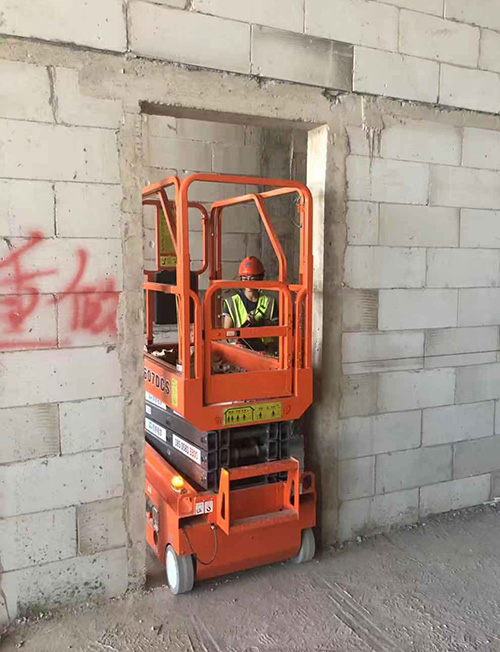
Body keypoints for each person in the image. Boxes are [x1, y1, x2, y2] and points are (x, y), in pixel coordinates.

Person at [222, 256, 277, 353]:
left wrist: (260, 322)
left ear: (260, 278)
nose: (249, 282)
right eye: (245, 278)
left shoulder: (269, 302)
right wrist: (241, 332)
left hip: (264, 352)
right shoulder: (232, 302)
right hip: (240, 351)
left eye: (253, 278)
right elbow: (226, 333)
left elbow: (277, 330)